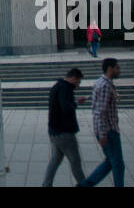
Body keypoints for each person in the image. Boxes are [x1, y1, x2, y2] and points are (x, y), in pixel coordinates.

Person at [81, 58, 124, 187]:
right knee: (117, 164)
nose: (119, 70)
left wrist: (88, 97)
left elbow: (98, 98)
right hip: (109, 130)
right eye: (117, 68)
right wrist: (103, 134)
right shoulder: (105, 85)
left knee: (110, 162)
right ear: (110, 68)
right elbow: (100, 112)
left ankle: (85, 185)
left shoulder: (101, 82)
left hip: (107, 130)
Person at [42, 67, 87, 187]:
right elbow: (66, 108)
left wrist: (75, 102)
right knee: (75, 160)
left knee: (56, 159)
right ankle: (83, 184)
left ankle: (46, 184)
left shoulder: (57, 86)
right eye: (78, 82)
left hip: (54, 130)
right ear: (73, 78)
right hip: (64, 131)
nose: (78, 85)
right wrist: (76, 103)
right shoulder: (65, 88)